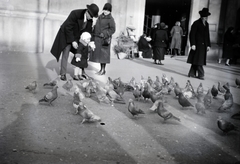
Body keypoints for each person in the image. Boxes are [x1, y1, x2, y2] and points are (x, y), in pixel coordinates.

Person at [50, 4, 99, 81]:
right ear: (87, 11)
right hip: (66, 35)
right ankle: (63, 74)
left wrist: (91, 42)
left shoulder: (90, 20)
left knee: (82, 51)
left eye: (93, 16)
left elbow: (89, 32)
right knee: (66, 52)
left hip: (76, 37)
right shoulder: (75, 14)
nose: (91, 17)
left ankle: (82, 72)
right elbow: (68, 27)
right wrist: (72, 41)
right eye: (91, 15)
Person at [89, 3, 116, 75]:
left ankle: (103, 70)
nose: (106, 11)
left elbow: (112, 29)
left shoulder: (111, 19)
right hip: (98, 39)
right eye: (105, 9)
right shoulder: (100, 17)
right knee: (100, 56)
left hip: (104, 40)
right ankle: (101, 70)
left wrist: (105, 34)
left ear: (110, 11)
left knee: (104, 56)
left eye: (107, 10)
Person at [187, 8, 211, 80]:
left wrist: (208, 45)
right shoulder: (196, 23)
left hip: (203, 46)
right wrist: (193, 44)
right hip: (197, 45)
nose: (205, 18)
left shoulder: (207, 24)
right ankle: (201, 75)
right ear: (201, 16)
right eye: (204, 17)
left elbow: (207, 35)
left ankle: (191, 73)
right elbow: (192, 34)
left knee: (196, 59)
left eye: (206, 17)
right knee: (198, 60)